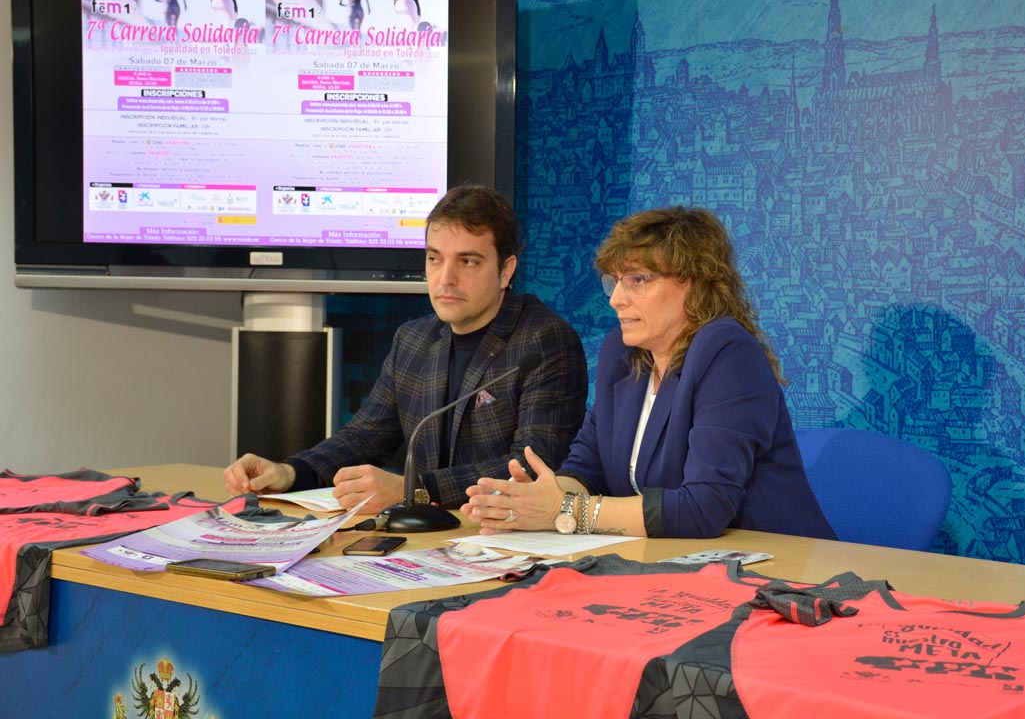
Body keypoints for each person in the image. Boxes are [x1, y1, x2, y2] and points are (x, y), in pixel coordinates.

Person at [465, 206, 836, 539]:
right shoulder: (622, 355)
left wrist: (565, 511)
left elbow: (703, 508)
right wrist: (533, 499)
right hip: (672, 568)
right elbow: (586, 468)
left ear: (693, 282)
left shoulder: (728, 353)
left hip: (778, 576)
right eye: (614, 281)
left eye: (637, 280)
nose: (615, 299)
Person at [224, 186, 588, 514]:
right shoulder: (413, 340)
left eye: (468, 261)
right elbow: (364, 437)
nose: (445, 278)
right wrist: (290, 471)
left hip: (502, 539)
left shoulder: (544, 342)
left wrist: (412, 490)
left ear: (506, 270)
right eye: (434, 259)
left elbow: (531, 468)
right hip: (428, 539)